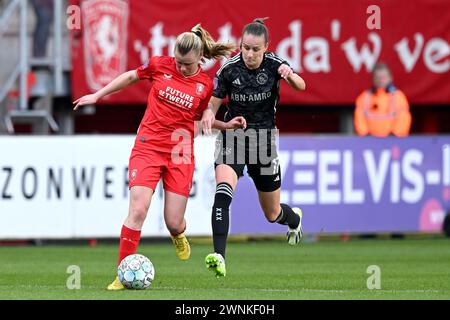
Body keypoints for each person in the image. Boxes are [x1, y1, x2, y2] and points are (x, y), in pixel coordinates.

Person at [73, 24, 242, 290]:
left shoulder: (205, 85)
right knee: (138, 209)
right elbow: (130, 77)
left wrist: (224, 123)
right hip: (148, 146)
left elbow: (200, 119)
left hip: (180, 152)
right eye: (178, 61)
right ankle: (121, 273)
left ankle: (178, 234)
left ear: (200, 59)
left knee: (173, 222)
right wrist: (98, 95)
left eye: (187, 64)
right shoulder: (159, 65)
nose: (181, 68)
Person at [200, 18, 306, 278]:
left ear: (266, 47)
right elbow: (213, 104)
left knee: (272, 213)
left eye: (255, 49)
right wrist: (208, 115)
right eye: (245, 47)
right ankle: (219, 256)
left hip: (264, 143)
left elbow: (302, 85)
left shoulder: (275, 65)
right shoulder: (229, 69)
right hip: (233, 137)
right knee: (222, 192)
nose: (249, 53)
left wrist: (290, 75)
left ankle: (294, 220)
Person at [354, 62, 412, 137]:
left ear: (390, 78)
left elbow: (404, 119)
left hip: (393, 142)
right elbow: (359, 119)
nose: (380, 80)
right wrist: (366, 136)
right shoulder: (364, 97)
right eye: (378, 77)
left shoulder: (398, 97)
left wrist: (394, 136)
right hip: (368, 143)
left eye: (383, 77)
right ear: (372, 78)